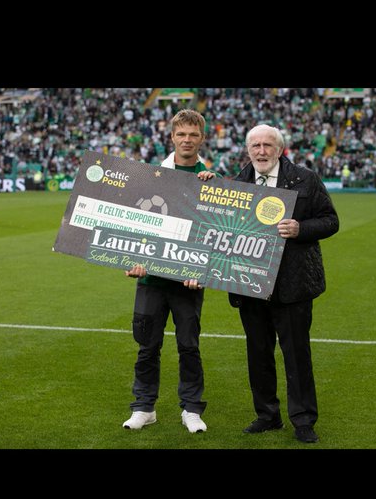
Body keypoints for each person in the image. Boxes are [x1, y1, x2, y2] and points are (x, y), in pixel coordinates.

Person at [229, 124, 339, 443]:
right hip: (250, 283)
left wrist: (300, 228)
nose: (261, 151)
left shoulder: (305, 179)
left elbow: (331, 220)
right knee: (258, 353)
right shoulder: (236, 184)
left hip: (292, 284)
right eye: (255, 146)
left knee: (296, 354)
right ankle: (267, 415)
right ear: (247, 150)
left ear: (280, 149)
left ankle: (303, 419)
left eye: (267, 145)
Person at [123, 110, 216, 435]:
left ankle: (191, 409)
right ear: (172, 137)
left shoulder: (214, 181)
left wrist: (201, 268)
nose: (187, 140)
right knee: (147, 345)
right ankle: (144, 407)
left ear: (202, 138)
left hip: (188, 281)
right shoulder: (153, 176)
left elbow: (216, 234)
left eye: (193, 135)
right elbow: (136, 224)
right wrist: (131, 259)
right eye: (181, 135)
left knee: (188, 346)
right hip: (151, 277)